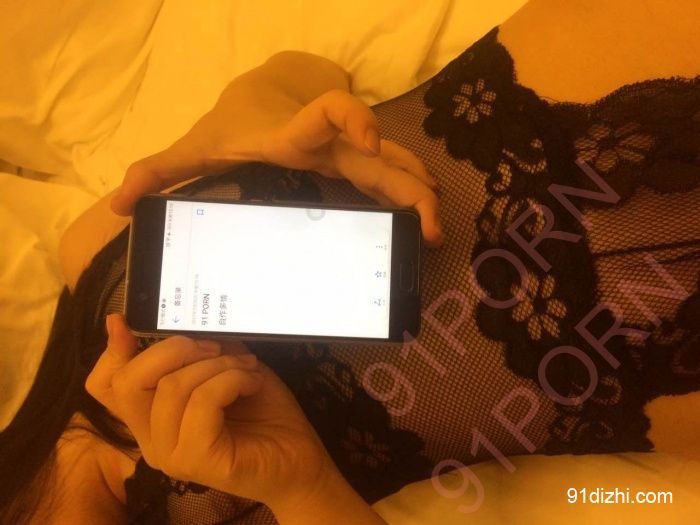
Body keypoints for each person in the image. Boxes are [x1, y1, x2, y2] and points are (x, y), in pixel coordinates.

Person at [2, 1, 699, 523]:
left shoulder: (90, 250)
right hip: (621, 363)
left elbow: (303, 73)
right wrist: (303, 486)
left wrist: (241, 128)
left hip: (549, 94)